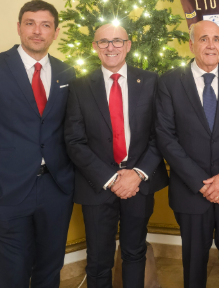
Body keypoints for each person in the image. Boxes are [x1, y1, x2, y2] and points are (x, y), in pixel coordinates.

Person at [0, 0, 75, 288]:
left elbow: (72, 131)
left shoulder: (67, 72)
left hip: (55, 190)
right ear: (19, 27)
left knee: (50, 268)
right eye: (30, 23)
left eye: (46, 25)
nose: (38, 31)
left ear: (56, 32)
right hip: (3, 191)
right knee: (12, 274)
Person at [155, 20, 219, 288]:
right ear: (191, 44)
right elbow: (166, 138)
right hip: (191, 192)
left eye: (216, 39)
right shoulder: (169, 82)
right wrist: (202, 183)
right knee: (193, 264)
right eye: (204, 39)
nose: (211, 45)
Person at [64, 24, 168, 288]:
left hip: (139, 184)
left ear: (128, 45)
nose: (111, 47)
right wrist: (111, 179)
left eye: (117, 41)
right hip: (96, 186)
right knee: (98, 260)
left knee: (134, 252)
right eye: (104, 42)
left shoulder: (150, 81)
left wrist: (137, 174)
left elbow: (161, 134)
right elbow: (74, 141)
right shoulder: (79, 87)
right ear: (95, 47)